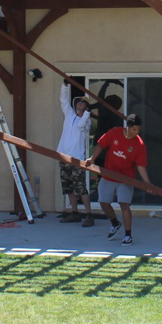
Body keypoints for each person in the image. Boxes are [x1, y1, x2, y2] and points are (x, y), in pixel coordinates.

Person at [87, 113, 151, 246]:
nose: (136, 132)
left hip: (126, 179)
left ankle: (128, 235)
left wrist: (147, 184)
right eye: (134, 129)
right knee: (103, 202)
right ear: (127, 127)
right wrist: (91, 159)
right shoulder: (114, 133)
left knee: (124, 204)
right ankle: (115, 223)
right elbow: (100, 145)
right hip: (109, 175)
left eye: (138, 129)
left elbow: (141, 166)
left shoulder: (139, 144)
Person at [55, 81, 94, 225]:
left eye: (84, 103)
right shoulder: (69, 114)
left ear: (86, 107)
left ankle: (89, 215)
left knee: (81, 188)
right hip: (63, 156)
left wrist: (87, 113)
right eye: (79, 102)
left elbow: (80, 125)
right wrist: (64, 86)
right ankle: (74, 212)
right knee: (68, 187)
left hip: (77, 159)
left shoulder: (87, 120)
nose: (80, 104)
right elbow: (63, 100)